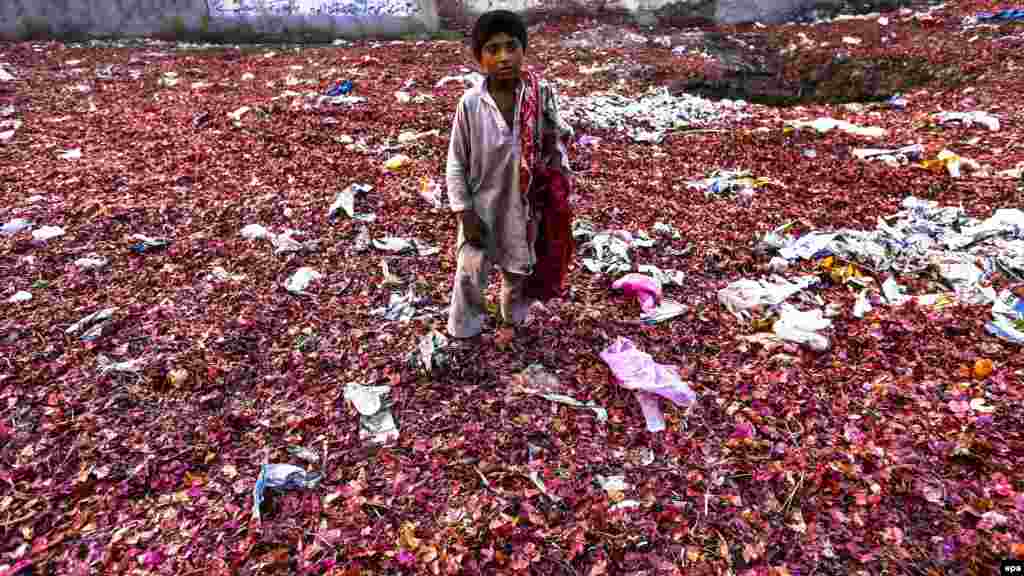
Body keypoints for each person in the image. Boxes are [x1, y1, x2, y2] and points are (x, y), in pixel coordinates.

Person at [445, 10, 574, 340]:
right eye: (492, 49)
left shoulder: (538, 94)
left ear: (523, 50)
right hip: (482, 204)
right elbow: (456, 161)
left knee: (518, 272)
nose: (504, 57)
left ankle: (511, 322)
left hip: (524, 203)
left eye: (511, 47)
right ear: (479, 58)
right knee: (470, 271)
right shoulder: (471, 104)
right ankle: (465, 329)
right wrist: (464, 211)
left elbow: (554, 140)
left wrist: (556, 184)